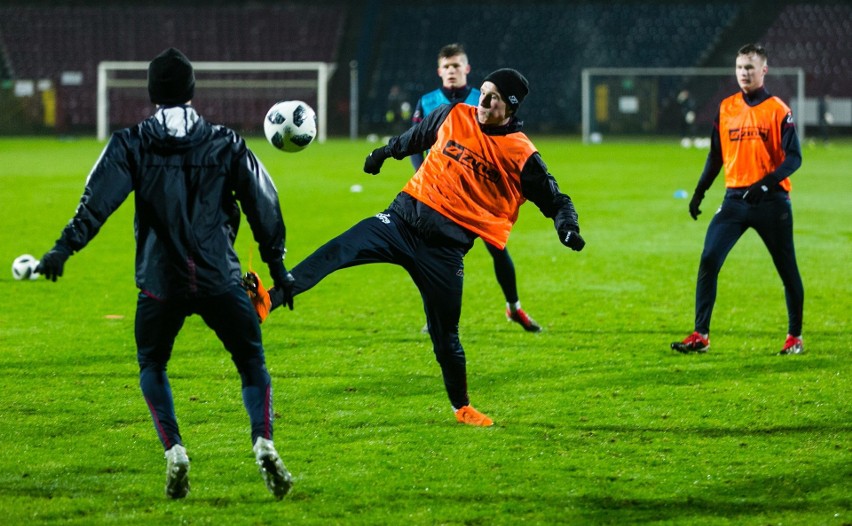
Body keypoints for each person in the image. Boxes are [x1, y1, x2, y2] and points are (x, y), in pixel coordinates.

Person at [34, 48, 296, 500]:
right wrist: (278, 269)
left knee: (152, 364)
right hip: (220, 279)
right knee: (252, 364)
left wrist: (63, 249)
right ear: (193, 91)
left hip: (161, 283)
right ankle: (263, 442)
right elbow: (263, 203)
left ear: (152, 93)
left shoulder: (131, 142)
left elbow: (96, 202)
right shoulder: (226, 141)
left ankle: (174, 449)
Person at [266, 68, 585, 427]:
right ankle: (268, 298)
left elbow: (557, 200)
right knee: (339, 249)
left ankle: (462, 407)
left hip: (445, 252)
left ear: (509, 108)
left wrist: (567, 227)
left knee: (445, 335)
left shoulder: (521, 153)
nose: (484, 99)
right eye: (485, 91)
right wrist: (384, 153)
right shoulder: (454, 115)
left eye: (495, 97)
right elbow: (415, 137)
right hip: (400, 222)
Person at [671, 44, 804, 356]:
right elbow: (715, 156)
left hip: (772, 203)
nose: (745, 73)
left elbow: (794, 158)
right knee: (709, 259)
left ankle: (794, 337)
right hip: (734, 201)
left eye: (750, 67)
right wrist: (699, 192)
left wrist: (767, 183)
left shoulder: (778, 110)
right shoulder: (726, 107)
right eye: (741, 67)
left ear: (763, 70)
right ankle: (700, 334)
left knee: (786, 269)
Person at [411, 43, 542, 332]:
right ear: (439, 71)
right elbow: (415, 143)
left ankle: (514, 308)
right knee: (436, 256)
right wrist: (425, 178)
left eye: (456, 65)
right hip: (441, 196)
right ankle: (433, 317)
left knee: (498, 249)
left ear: (466, 69)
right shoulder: (427, 101)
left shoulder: (481, 98)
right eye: (447, 66)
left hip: (481, 194)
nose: (452, 71)